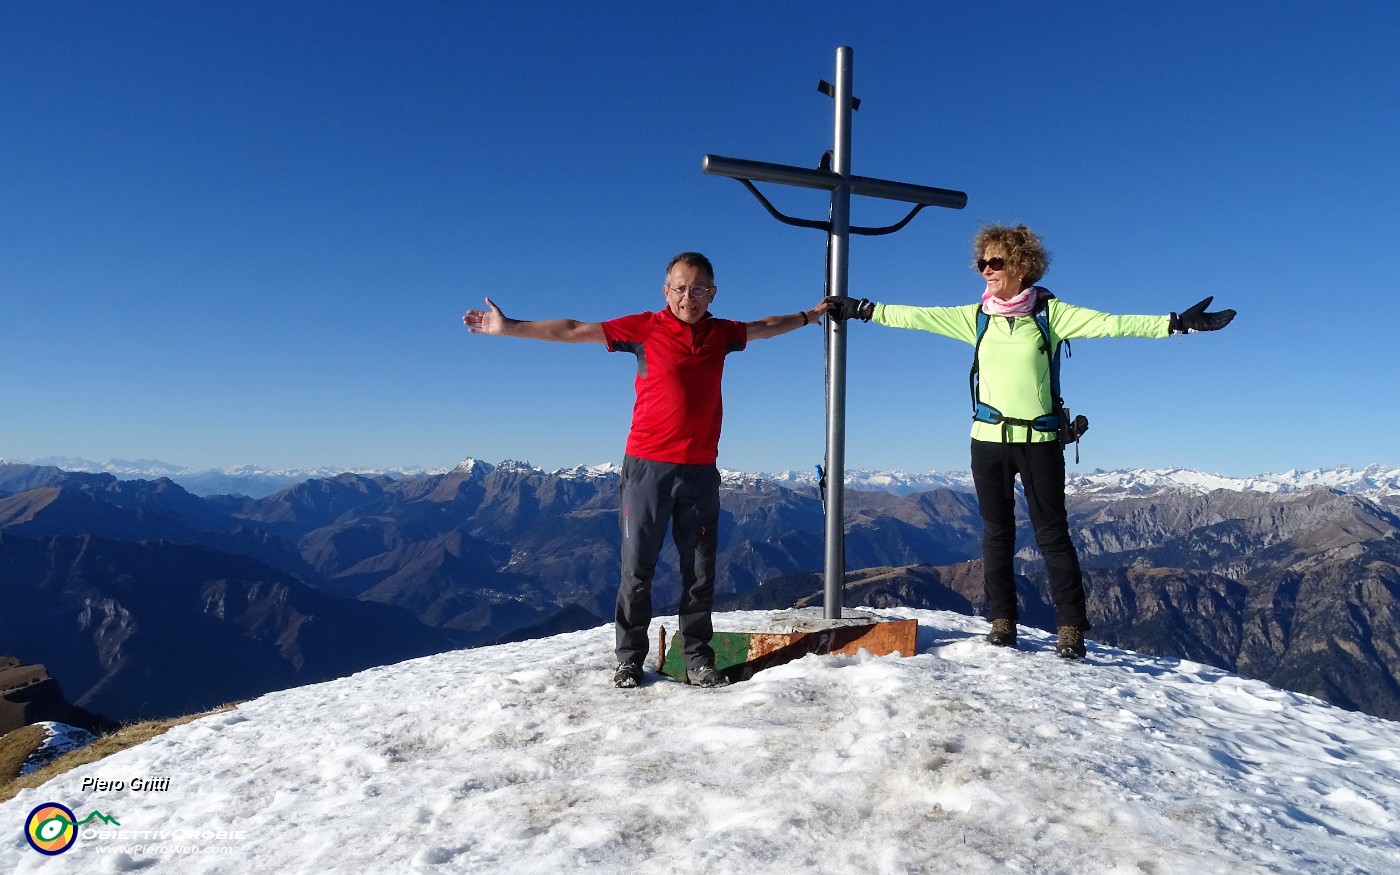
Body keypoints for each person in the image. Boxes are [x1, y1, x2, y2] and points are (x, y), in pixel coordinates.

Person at [825, 224, 1234, 659]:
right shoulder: (975, 317)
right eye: (982, 262)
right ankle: (1003, 622)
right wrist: (862, 309)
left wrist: (1176, 323)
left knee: (1052, 534)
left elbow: (1113, 324)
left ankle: (1071, 628)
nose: (986, 270)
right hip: (988, 440)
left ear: (1022, 265)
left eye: (996, 262)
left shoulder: (1051, 316)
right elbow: (916, 316)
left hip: (1039, 441)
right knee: (996, 534)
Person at [464, 252, 828, 687]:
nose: (687, 297)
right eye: (679, 287)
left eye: (698, 288)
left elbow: (766, 326)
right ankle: (630, 659)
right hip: (647, 469)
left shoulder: (721, 333)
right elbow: (575, 329)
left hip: (700, 471)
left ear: (712, 293)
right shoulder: (644, 328)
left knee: (700, 570)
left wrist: (810, 316)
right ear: (665, 290)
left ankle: (697, 658)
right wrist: (510, 327)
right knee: (638, 569)